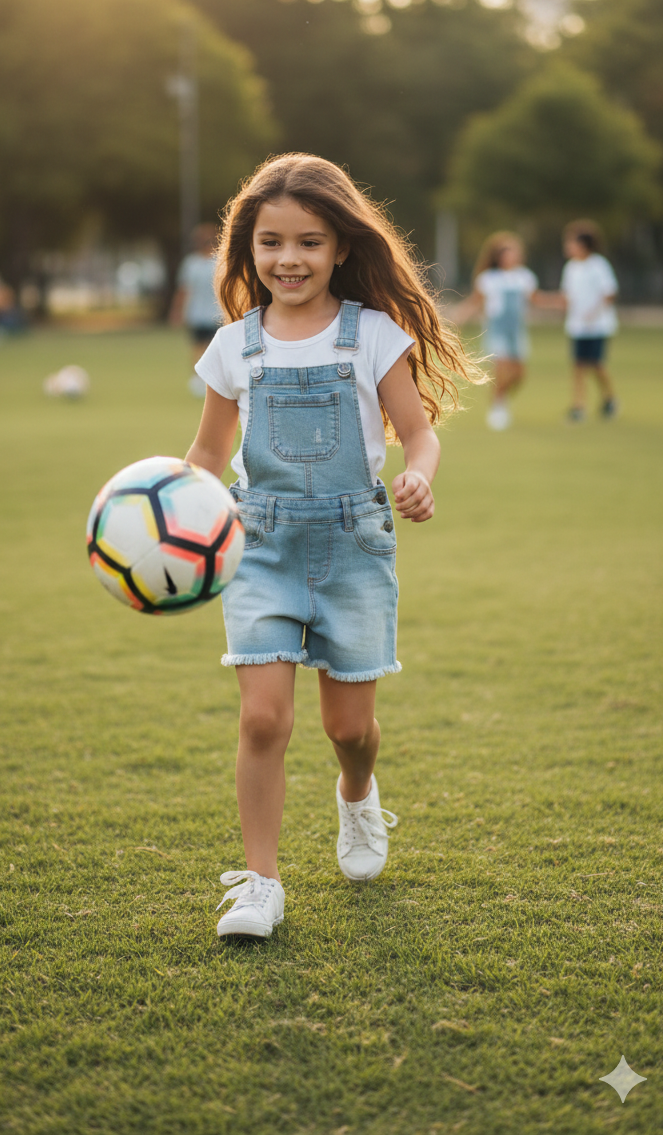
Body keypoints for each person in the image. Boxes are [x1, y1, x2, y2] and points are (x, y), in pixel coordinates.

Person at [184, 154, 480, 939]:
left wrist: (417, 476)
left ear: (342, 247)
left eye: (310, 242)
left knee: (348, 728)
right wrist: (172, 511)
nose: (290, 259)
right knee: (262, 720)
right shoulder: (231, 349)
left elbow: (417, 435)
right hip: (262, 547)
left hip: (355, 544)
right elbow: (208, 459)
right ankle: (260, 883)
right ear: (249, 248)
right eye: (272, 242)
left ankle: (357, 795)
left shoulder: (375, 334)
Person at [454, 232, 544, 430]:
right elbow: (476, 302)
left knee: (519, 375)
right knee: (502, 369)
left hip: (517, 331)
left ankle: (501, 399)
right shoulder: (488, 279)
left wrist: (560, 301)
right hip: (498, 330)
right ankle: (497, 407)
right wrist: (460, 317)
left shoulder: (525, 277)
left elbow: (537, 299)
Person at [558, 220, 619, 421]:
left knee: (596, 364)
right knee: (578, 366)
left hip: (597, 326)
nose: (568, 246)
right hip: (578, 326)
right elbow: (567, 296)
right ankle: (578, 406)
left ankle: (610, 398)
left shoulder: (598, 265)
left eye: (572, 242)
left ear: (583, 244)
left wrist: (594, 312)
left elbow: (609, 293)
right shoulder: (571, 268)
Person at [170, 224, 223, 397]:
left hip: (218, 314)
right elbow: (184, 290)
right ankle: (199, 381)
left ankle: (214, 381)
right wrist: (177, 311)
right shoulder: (191, 264)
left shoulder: (220, 261)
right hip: (198, 315)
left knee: (215, 349)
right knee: (199, 349)